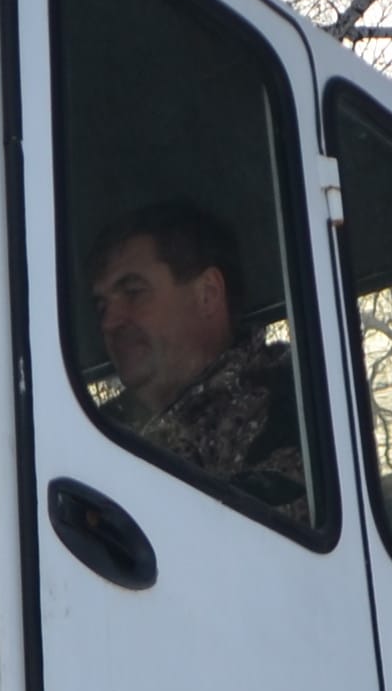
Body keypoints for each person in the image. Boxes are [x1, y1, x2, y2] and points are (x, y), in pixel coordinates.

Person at [84, 201, 307, 523]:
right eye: (102, 307)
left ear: (208, 294)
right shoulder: (93, 429)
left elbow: (266, 530)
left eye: (133, 292)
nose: (109, 323)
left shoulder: (294, 399)